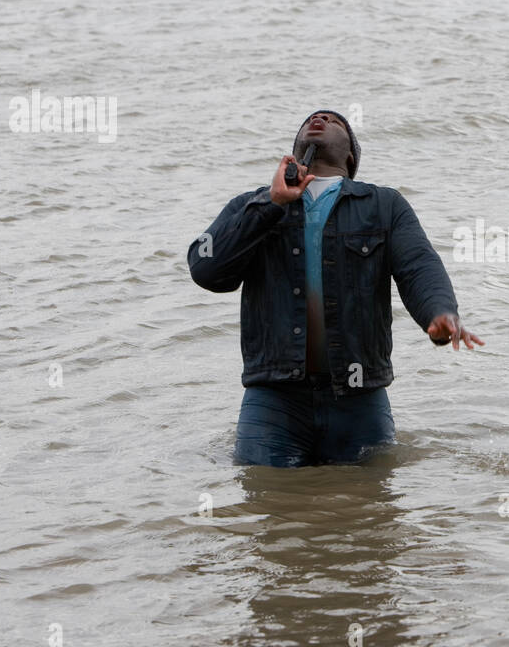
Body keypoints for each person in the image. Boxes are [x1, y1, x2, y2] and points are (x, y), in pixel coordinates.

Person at [187, 109, 484, 467]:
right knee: (270, 512)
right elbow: (207, 269)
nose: (320, 119)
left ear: (350, 156)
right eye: (312, 119)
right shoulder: (254, 205)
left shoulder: (383, 205)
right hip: (273, 400)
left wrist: (440, 315)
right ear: (294, 152)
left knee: (370, 512)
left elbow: (419, 267)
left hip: (360, 398)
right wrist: (271, 203)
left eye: (334, 121)